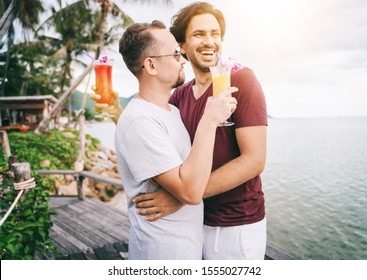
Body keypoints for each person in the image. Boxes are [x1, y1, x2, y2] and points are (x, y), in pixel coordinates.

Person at [93, 1, 268, 260]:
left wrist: (180, 198)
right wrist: (120, 113)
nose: (210, 41)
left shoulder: (240, 79)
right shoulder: (178, 98)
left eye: (215, 34)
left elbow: (254, 160)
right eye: (199, 34)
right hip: (194, 224)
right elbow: (150, 135)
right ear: (182, 46)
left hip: (233, 224)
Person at [114, 20, 237, 259]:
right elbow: (191, 192)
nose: (183, 60)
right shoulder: (140, 121)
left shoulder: (172, 112)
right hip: (162, 252)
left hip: (185, 248)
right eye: (175, 54)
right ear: (151, 65)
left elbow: (190, 175)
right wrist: (209, 121)